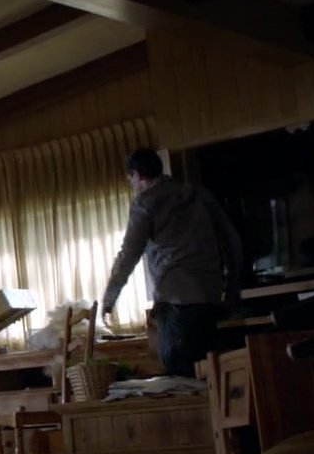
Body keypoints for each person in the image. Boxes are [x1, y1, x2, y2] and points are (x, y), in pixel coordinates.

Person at [101, 149, 242, 378]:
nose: (132, 186)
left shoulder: (145, 203)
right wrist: (232, 285)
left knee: (180, 374)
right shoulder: (199, 194)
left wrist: (109, 299)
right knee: (210, 371)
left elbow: (129, 254)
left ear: (137, 175)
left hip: (176, 297)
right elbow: (231, 241)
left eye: (130, 180)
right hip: (210, 295)